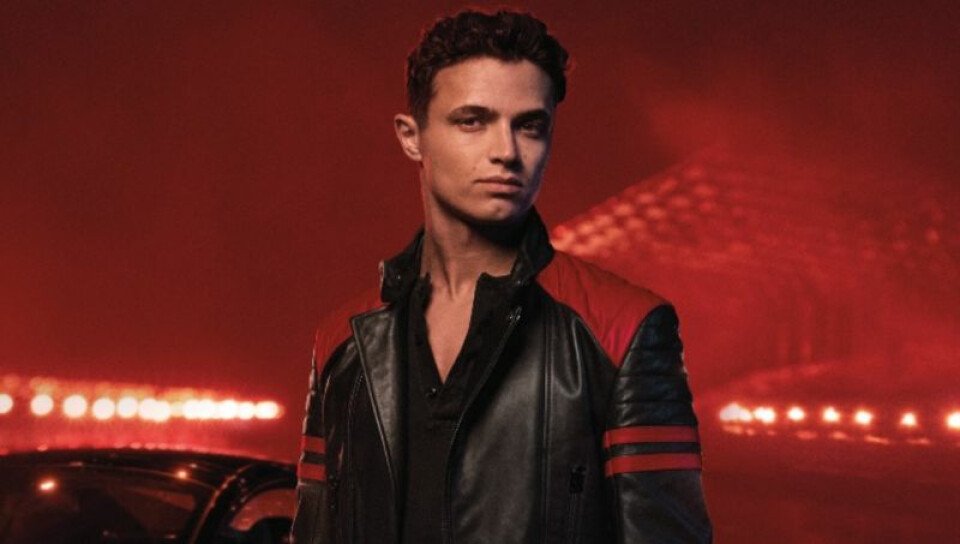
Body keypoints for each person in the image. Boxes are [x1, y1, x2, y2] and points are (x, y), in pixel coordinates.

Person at [291, 9, 712, 544]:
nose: (506, 152)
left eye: (529, 126)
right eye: (472, 121)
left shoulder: (624, 328)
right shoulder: (340, 340)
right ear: (411, 137)